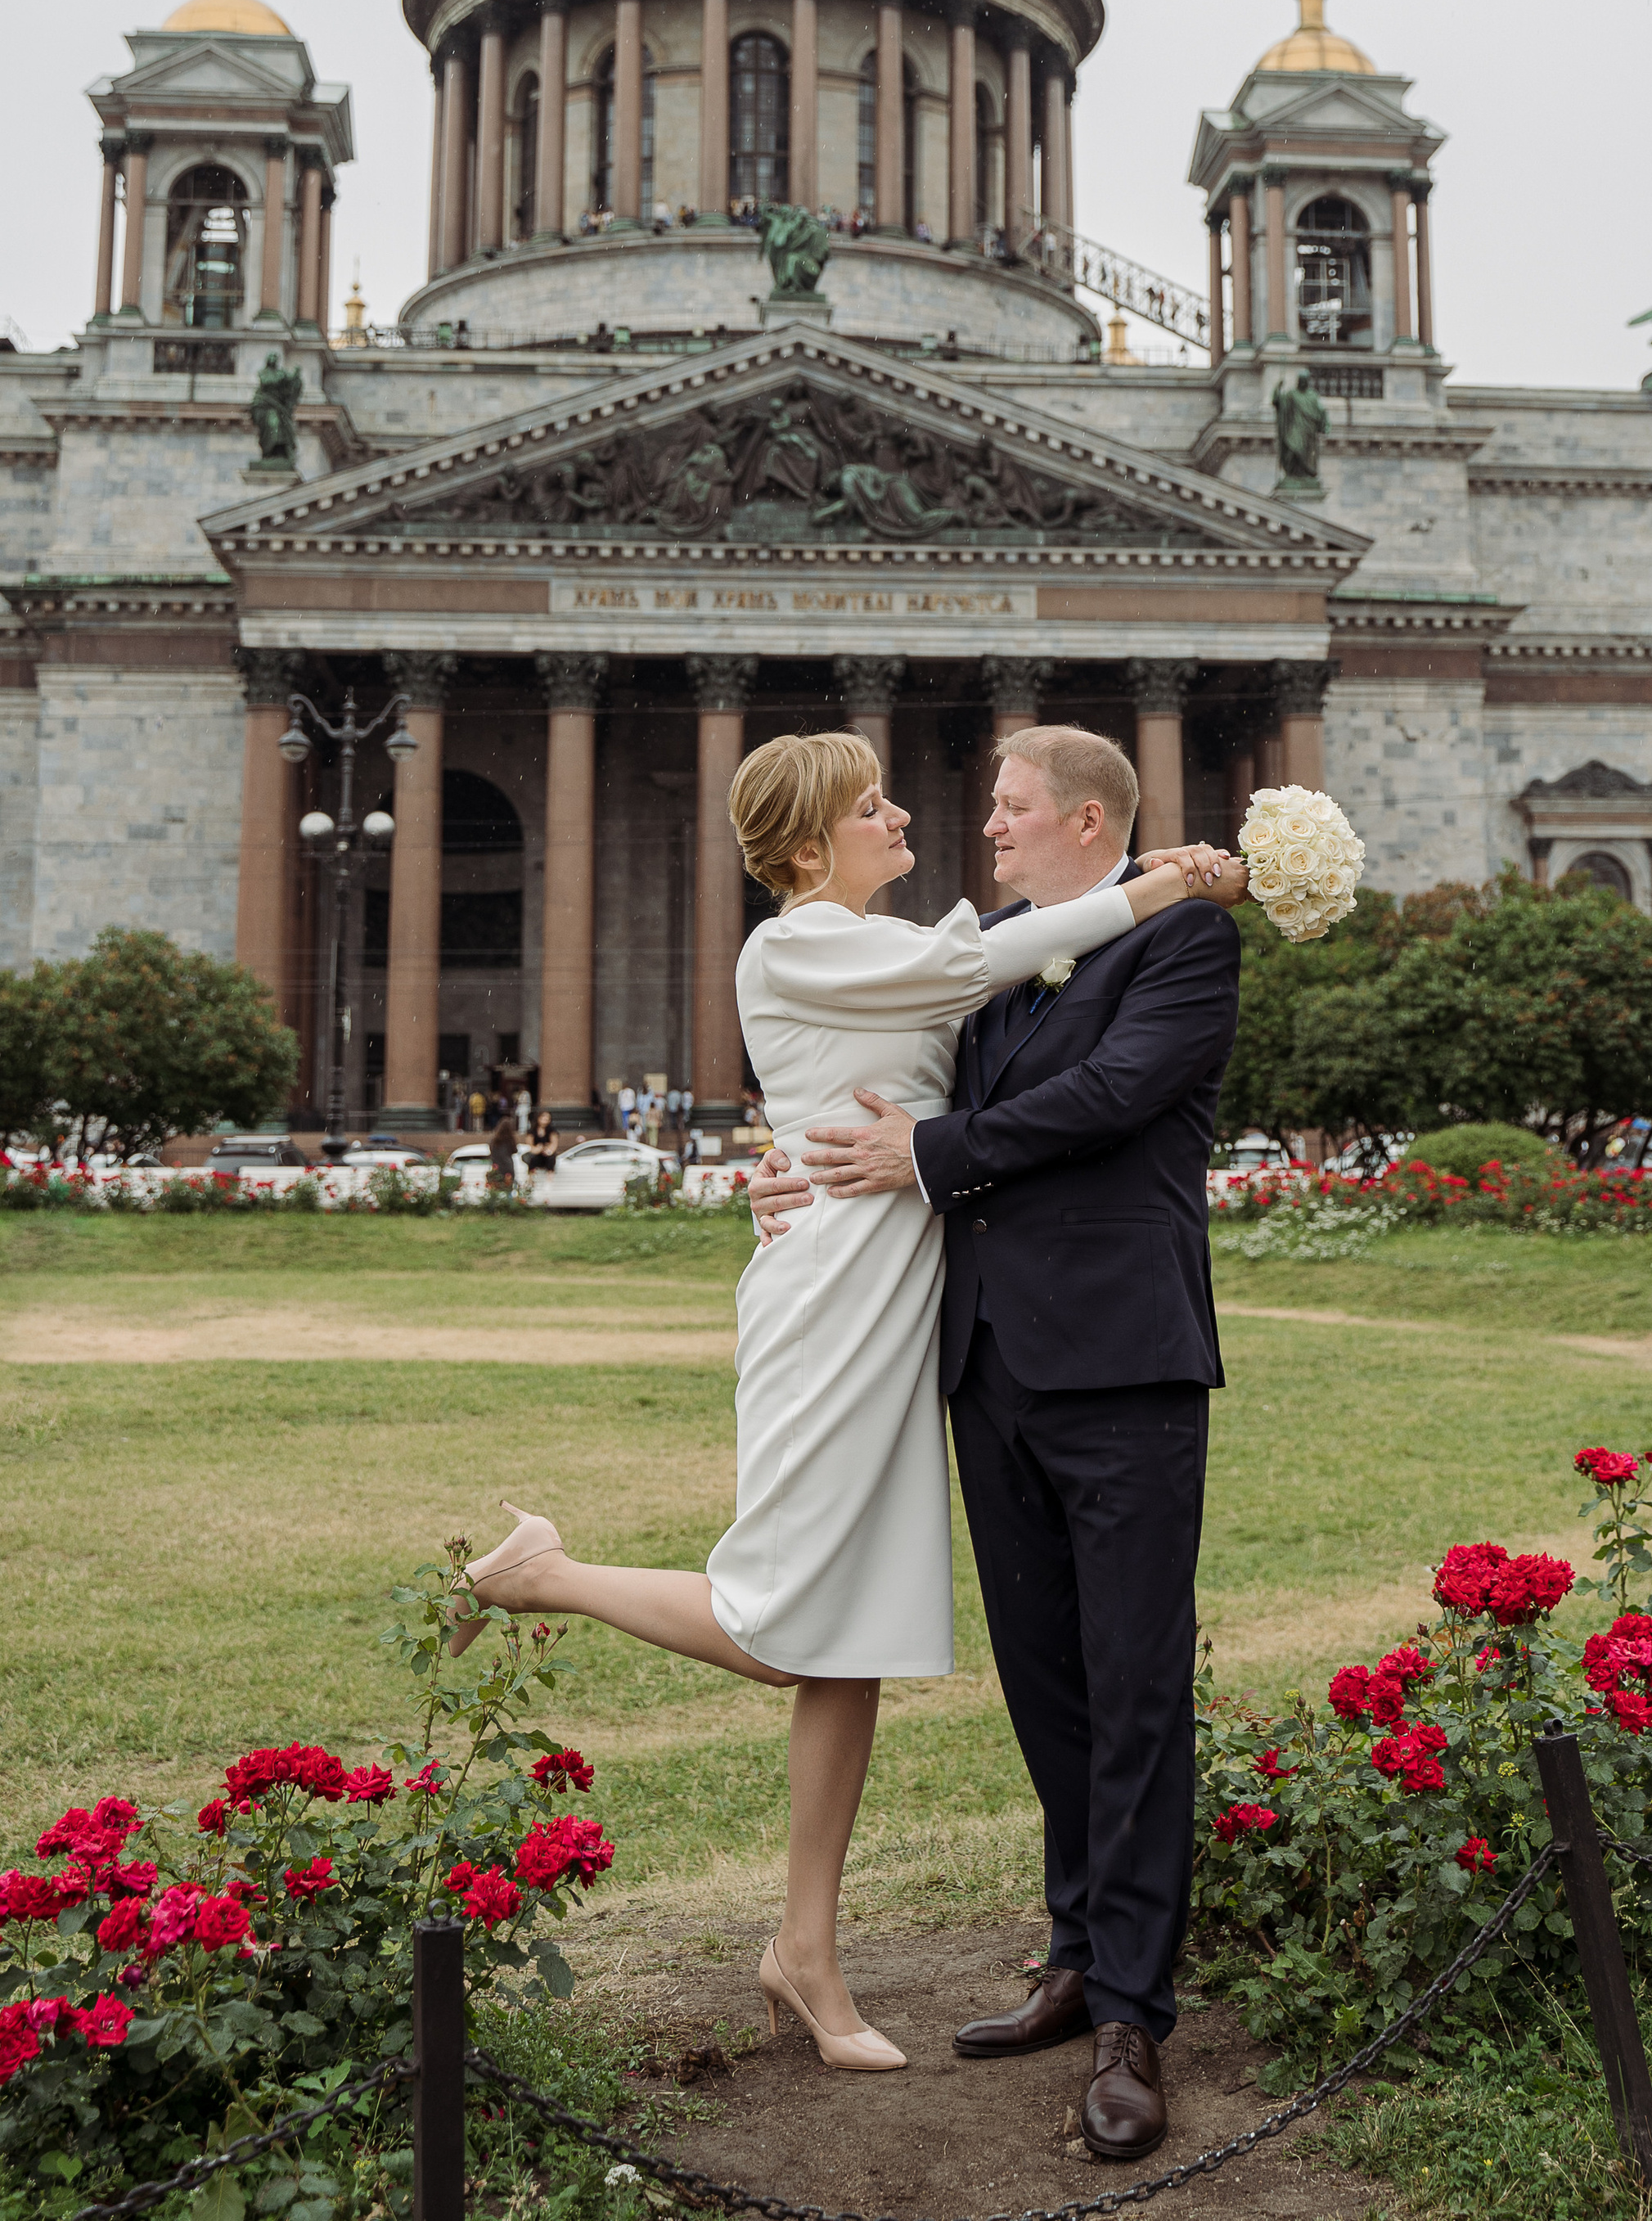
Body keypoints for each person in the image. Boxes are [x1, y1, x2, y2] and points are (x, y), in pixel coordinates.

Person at [443, 728, 1243, 2084]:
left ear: (1088, 818)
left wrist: (1160, 888)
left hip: (977, 1324)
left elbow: (1063, 1076)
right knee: (821, 1626)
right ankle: (549, 1574)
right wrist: (1180, 873)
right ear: (809, 846)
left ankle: (835, 1955)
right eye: (881, 804)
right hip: (865, 1306)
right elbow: (952, 984)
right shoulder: (850, 944)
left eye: (1008, 806)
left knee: (863, 1637)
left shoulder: (1023, 945)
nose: (957, 824)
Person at [749, 727, 1244, 2161]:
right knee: (1049, 1689)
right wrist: (789, 1170)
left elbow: (1103, 1104)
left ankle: (1135, 2019)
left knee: (1139, 1689)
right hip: (991, 1365)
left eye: (1013, 809)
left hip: (1125, 1361)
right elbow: (879, 1085)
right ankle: (1077, 1955)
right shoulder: (1000, 953)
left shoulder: (1181, 949)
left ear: (1088, 821)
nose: (989, 829)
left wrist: (927, 1151)